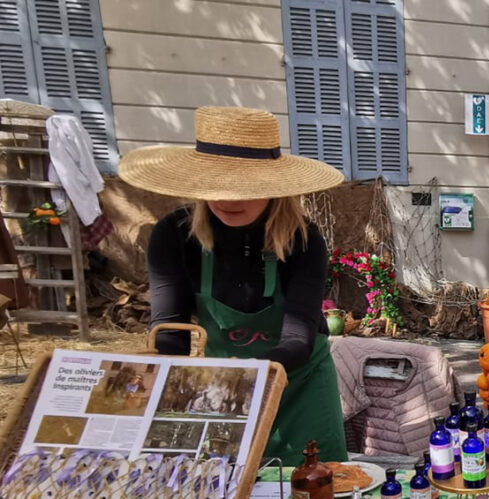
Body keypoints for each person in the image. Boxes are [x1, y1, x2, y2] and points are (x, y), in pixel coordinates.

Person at [120, 106, 349, 464]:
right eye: (215, 184)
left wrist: (243, 374)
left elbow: (297, 337)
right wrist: (167, 381)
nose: (228, 199)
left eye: (244, 186)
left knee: (316, 491)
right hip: (219, 386)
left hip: (300, 386)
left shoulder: (304, 240)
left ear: (275, 186)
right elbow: (170, 333)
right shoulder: (174, 236)